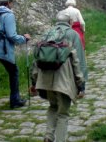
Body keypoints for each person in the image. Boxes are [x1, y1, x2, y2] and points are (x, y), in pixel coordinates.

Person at [30, 10, 88, 142]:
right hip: (64, 81)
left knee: (52, 106)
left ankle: (48, 136)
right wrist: (81, 84)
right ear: (71, 22)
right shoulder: (73, 34)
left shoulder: (47, 34)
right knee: (63, 114)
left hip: (45, 79)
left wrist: (34, 82)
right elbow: (78, 60)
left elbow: (36, 59)